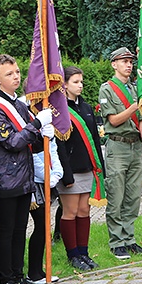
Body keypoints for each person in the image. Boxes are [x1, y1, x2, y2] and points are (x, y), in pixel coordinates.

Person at [0, 54, 49, 284]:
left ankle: (20, 276)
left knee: (21, 229)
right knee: (6, 230)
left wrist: (44, 133)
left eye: (18, 72)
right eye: (9, 74)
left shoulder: (20, 105)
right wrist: (35, 127)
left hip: (24, 177)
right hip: (5, 177)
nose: (16, 77)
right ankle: (6, 280)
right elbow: (11, 141)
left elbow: (31, 142)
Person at [100, 47, 142, 260]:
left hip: (135, 145)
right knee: (117, 195)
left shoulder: (136, 88)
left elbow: (141, 119)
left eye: (130, 61)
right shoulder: (108, 89)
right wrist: (134, 107)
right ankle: (116, 242)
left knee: (133, 196)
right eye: (124, 61)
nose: (129, 65)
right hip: (117, 146)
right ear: (114, 64)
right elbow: (114, 120)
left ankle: (129, 238)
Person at [56, 66, 105, 270]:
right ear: (64, 84)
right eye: (75, 82)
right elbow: (59, 145)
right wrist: (66, 174)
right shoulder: (59, 110)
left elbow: (94, 138)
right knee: (71, 211)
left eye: (81, 82)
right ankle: (72, 254)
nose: (80, 85)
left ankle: (84, 252)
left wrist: (100, 167)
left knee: (84, 210)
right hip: (70, 169)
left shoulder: (85, 108)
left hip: (87, 167)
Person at [27, 122, 63, 284]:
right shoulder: (28, 120)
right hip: (32, 180)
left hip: (46, 179)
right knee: (40, 224)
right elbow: (31, 155)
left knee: (44, 226)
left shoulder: (46, 123)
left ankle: (38, 271)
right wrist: (46, 175)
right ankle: (32, 273)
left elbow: (52, 150)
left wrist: (57, 172)